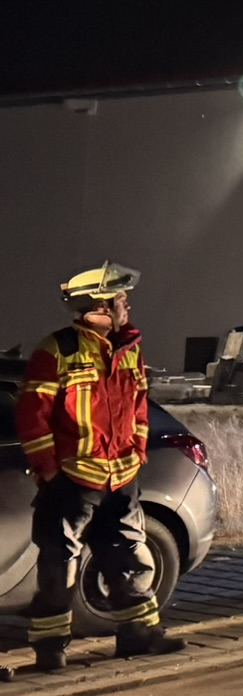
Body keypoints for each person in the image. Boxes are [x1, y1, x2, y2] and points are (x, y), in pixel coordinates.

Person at [15, 262, 186, 672]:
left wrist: (138, 451)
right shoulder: (58, 351)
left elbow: (138, 407)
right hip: (72, 478)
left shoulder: (129, 349)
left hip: (121, 476)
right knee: (59, 562)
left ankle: (139, 635)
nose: (127, 306)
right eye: (121, 299)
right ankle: (51, 649)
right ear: (100, 307)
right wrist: (49, 470)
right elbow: (32, 415)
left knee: (128, 553)